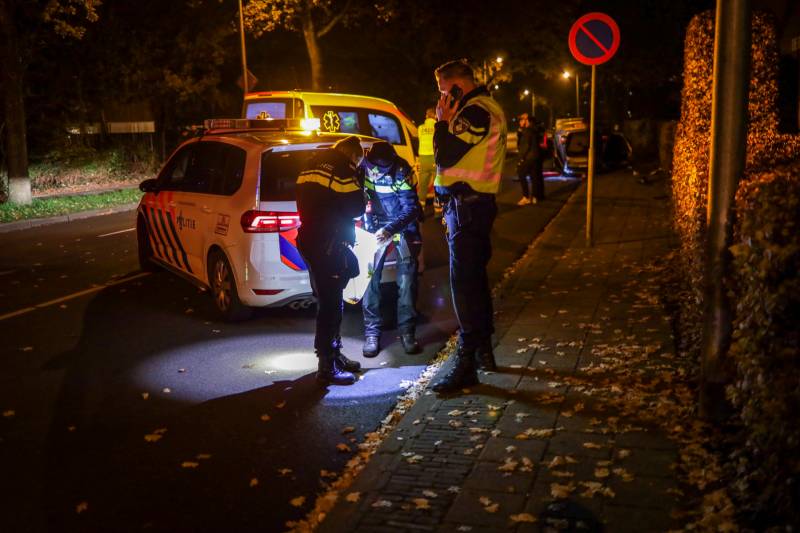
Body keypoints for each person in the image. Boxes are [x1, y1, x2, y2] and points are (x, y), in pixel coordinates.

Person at [430, 59, 507, 393]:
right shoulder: (481, 109)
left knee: (464, 288)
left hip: (467, 209)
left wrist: (441, 123)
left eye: (445, 91)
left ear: (458, 84)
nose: (443, 99)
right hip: (470, 208)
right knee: (474, 283)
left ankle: (466, 364)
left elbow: (444, 155)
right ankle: (483, 354)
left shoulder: (475, 111)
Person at [296, 135, 366, 386]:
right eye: (358, 161)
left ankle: (334, 354)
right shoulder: (343, 169)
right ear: (352, 155)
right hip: (329, 243)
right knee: (330, 304)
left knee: (330, 300)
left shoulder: (311, 163)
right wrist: (360, 182)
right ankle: (326, 364)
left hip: (310, 238)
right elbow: (357, 208)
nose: (358, 165)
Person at [359, 141, 423, 358]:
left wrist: (390, 229)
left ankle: (407, 332)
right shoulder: (363, 166)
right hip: (374, 227)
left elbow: (412, 208)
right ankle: (371, 333)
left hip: (402, 227)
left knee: (407, 282)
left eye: (381, 169)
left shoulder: (402, 170)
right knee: (369, 281)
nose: (376, 173)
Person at [516, 113, 545, 205]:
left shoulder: (527, 131)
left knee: (521, 173)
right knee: (534, 177)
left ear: (526, 121)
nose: (520, 122)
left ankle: (526, 197)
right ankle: (535, 197)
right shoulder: (534, 129)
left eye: (521, 120)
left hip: (529, 158)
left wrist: (521, 159)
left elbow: (524, 147)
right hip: (536, 157)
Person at [417, 108, 437, 205]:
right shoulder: (437, 127)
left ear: (426, 116)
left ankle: (421, 208)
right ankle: (438, 211)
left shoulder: (420, 128)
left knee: (423, 184)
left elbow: (421, 139)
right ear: (435, 116)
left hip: (423, 158)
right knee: (438, 184)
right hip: (434, 158)